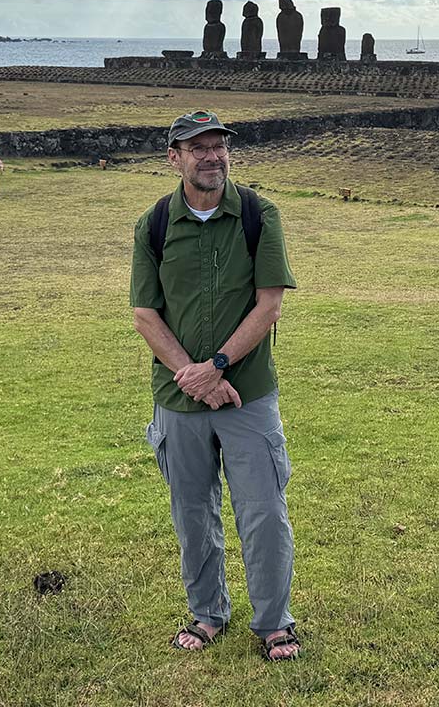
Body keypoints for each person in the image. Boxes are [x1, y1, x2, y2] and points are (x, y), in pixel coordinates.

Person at [130, 110, 301, 661]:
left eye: (218, 145)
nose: (211, 156)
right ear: (174, 157)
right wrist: (196, 377)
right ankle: (207, 614)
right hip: (179, 401)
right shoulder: (154, 223)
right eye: (196, 147)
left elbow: (269, 304)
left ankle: (274, 623)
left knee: (264, 513)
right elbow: (145, 315)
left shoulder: (257, 214)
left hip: (246, 394)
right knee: (193, 514)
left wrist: (220, 366)